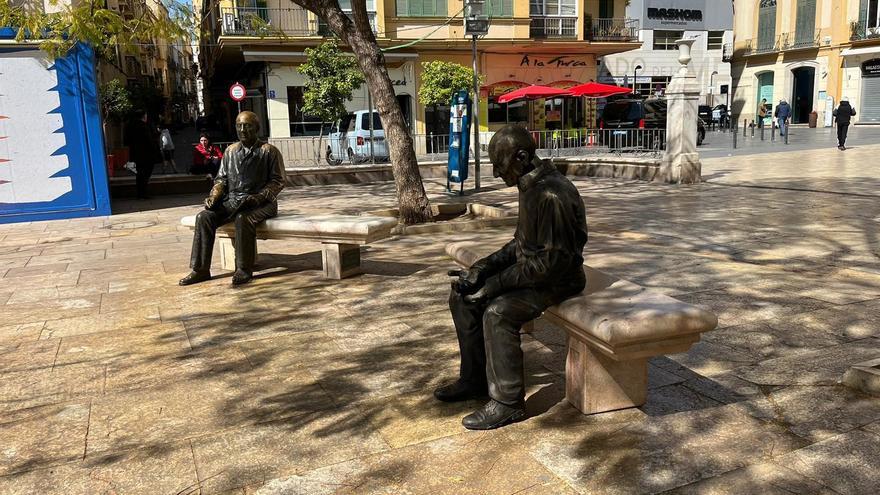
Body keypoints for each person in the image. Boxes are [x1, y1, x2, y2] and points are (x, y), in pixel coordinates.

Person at [436, 125, 588, 430]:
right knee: (463, 295)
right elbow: (520, 244)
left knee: (498, 312)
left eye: (499, 164)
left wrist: (494, 285)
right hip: (537, 271)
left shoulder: (551, 194)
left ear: (521, 157)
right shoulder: (530, 185)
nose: (495, 173)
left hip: (559, 279)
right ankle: (474, 379)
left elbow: (550, 264)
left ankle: (508, 402)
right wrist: (482, 269)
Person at [179, 111, 286, 287]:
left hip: (262, 203)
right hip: (233, 200)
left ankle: (244, 268)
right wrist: (214, 196)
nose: (242, 130)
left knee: (243, 218)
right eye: (239, 126)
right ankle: (200, 270)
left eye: (247, 126)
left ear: (257, 128)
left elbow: (278, 181)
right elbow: (221, 179)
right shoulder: (230, 151)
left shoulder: (269, 151)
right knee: (204, 217)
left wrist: (258, 198)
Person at [124, 110, 162, 199]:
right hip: (147, 154)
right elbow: (149, 140)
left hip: (136, 154)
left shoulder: (129, 126)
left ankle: (140, 193)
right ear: (143, 116)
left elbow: (126, 141)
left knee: (140, 174)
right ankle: (143, 193)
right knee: (145, 174)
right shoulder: (144, 126)